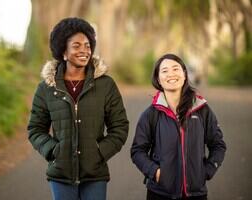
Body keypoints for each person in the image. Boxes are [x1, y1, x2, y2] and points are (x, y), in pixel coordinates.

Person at [27, 17, 129, 200]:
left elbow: (120, 127)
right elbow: (35, 129)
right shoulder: (46, 88)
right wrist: (53, 151)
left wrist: (100, 152)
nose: (84, 50)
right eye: (76, 46)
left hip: (95, 174)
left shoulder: (106, 85)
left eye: (88, 45)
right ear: (63, 52)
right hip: (61, 176)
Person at [130, 54, 226, 200]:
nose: (171, 74)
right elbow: (137, 151)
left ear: (184, 75)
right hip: (159, 193)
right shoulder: (151, 114)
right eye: (165, 71)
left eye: (176, 69)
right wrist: (155, 172)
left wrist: (207, 170)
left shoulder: (202, 110)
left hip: (196, 194)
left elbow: (218, 145)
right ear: (158, 79)